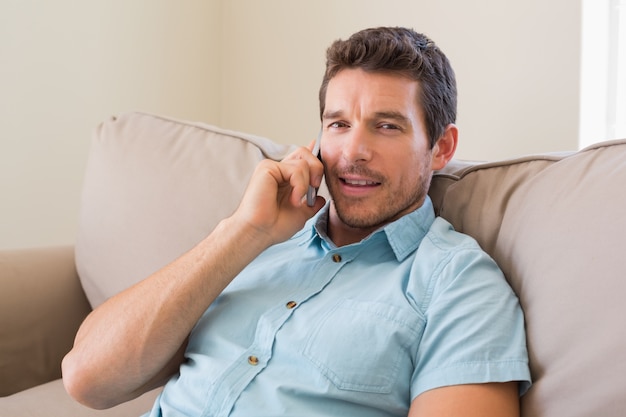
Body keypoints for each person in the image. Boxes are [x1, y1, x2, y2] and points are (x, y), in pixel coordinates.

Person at [62, 27, 531, 416]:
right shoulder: (253, 246)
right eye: (338, 124)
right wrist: (245, 232)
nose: (352, 152)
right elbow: (88, 379)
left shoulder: (460, 284)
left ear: (441, 148)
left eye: (387, 126)